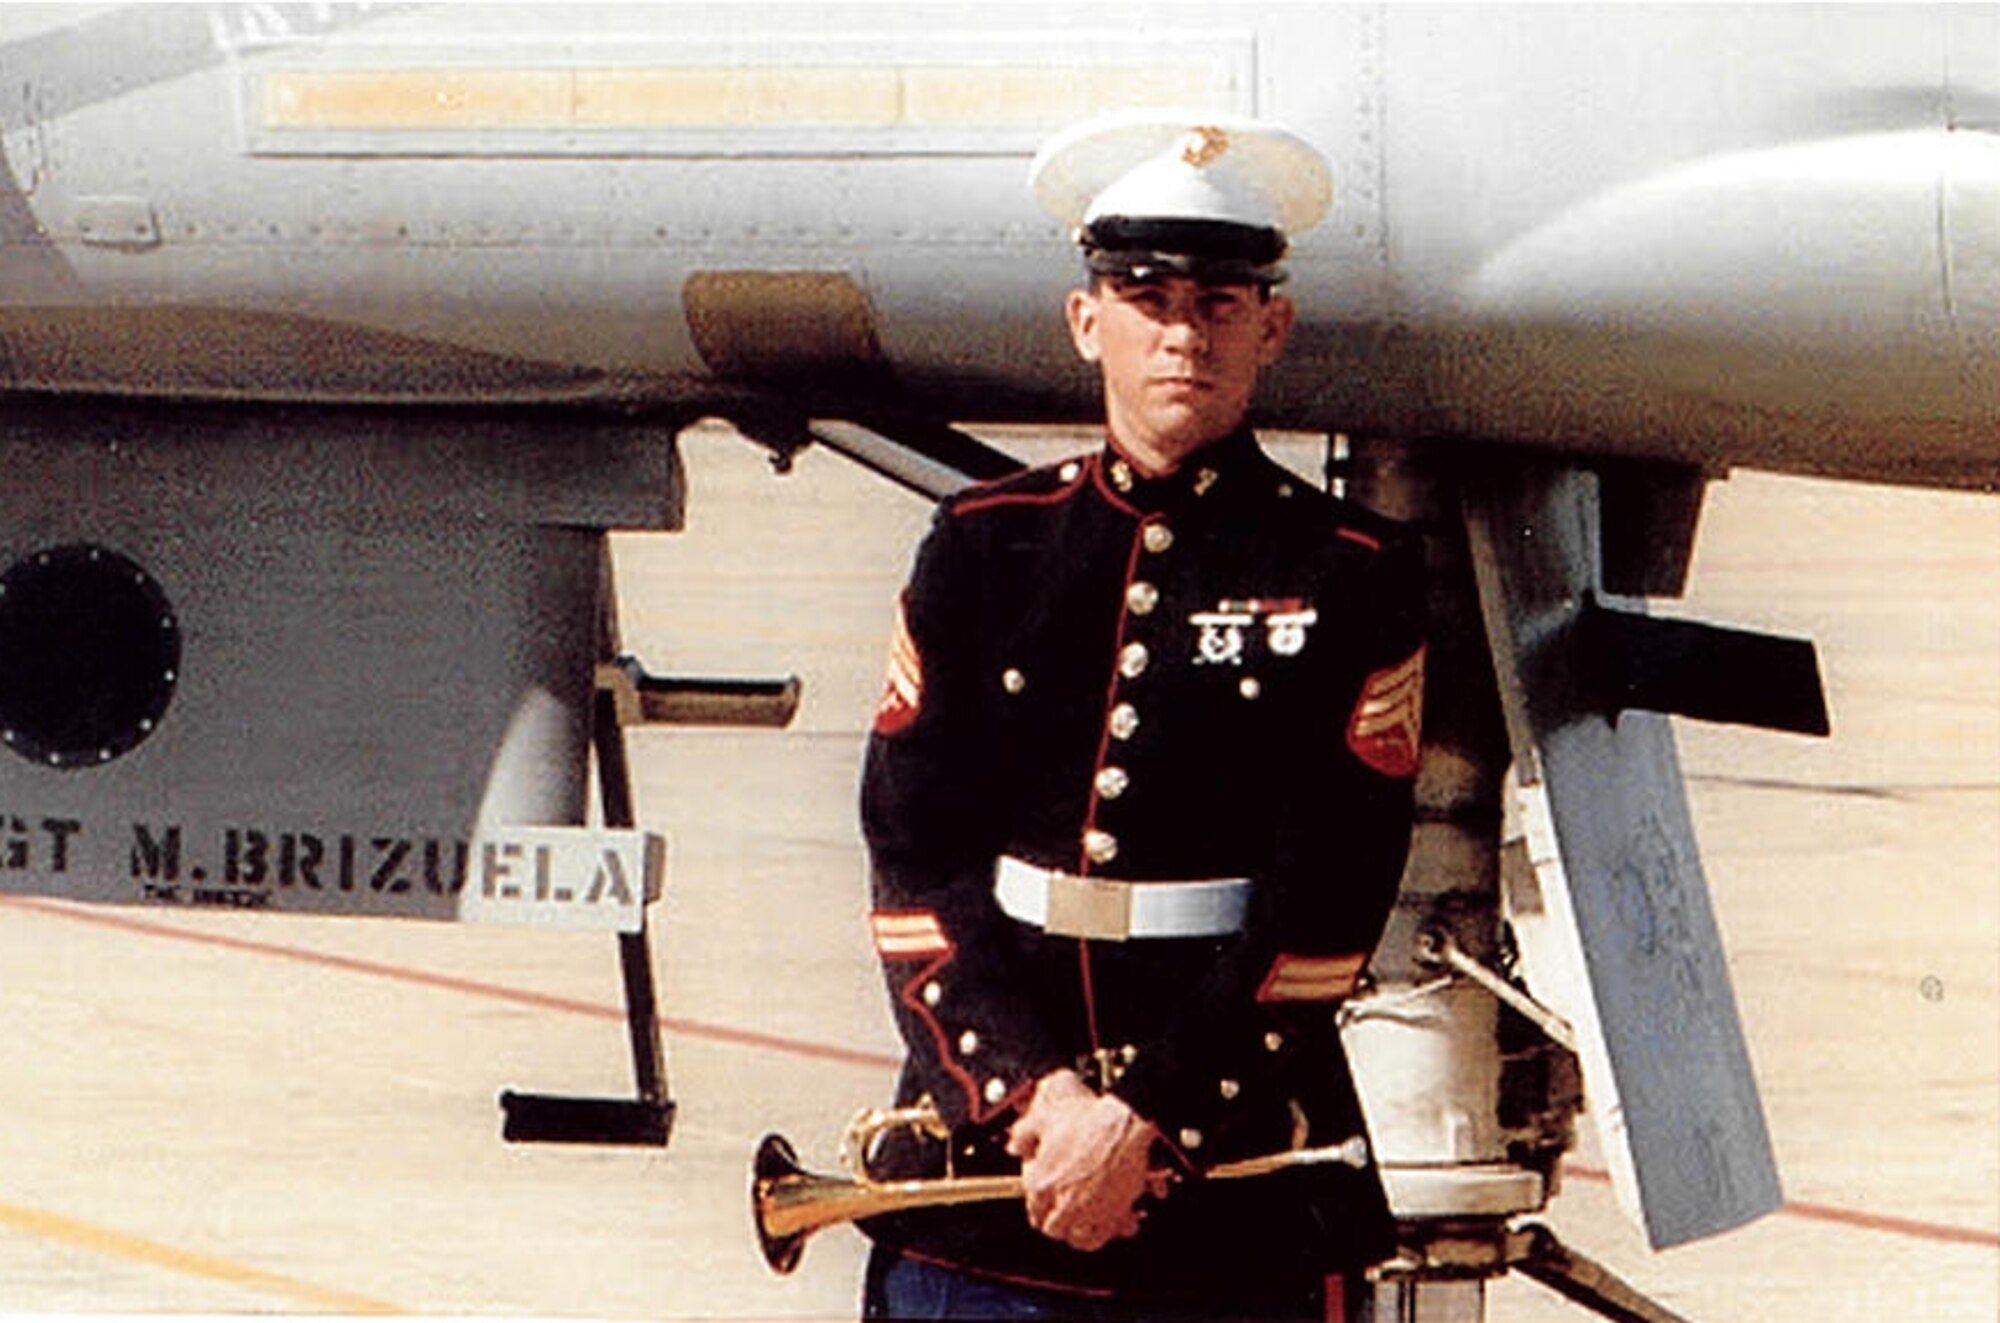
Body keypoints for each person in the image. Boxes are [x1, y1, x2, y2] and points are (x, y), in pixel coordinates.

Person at [856, 112, 1427, 1322]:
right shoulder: (983, 546)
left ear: (1271, 326)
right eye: (1145, 295)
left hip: (1234, 1185)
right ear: (1085, 320)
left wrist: (1146, 1120)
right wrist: (1039, 1104)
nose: (1182, 332)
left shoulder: (1349, 573)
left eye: (1221, 301)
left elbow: (1328, 898)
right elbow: (914, 859)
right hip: (990, 1181)